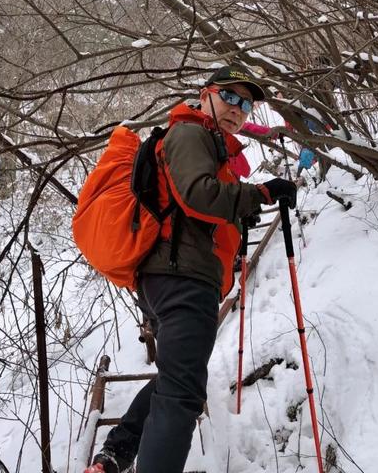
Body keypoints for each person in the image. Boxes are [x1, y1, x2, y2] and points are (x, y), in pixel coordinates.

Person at [85, 65, 297, 473]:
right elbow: (198, 195)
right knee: (183, 392)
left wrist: (235, 218)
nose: (238, 108)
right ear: (205, 95)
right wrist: (260, 194)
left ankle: (114, 454)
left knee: (176, 380)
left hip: (171, 278)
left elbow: (196, 208)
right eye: (229, 97)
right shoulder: (190, 132)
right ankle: (122, 453)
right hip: (182, 279)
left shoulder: (208, 144)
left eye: (246, 103)